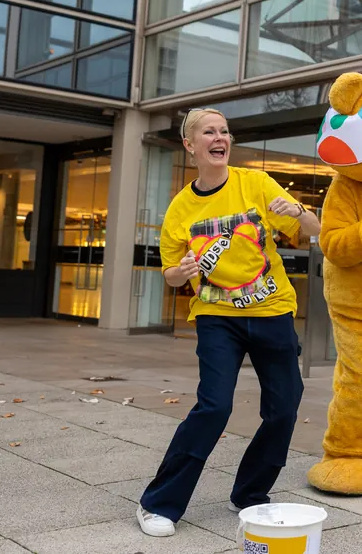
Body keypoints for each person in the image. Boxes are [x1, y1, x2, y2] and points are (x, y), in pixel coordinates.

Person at [137, 108, 321, 538]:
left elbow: (315, 230)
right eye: (209, 132)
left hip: (272, 309)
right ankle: (158, 503)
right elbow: (169, 273)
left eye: (224, 131)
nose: (219, 137)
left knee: (283, 409)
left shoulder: (254, 183)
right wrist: (180, 273)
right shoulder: (181, 208)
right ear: (190, 146)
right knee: (215, 406)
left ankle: (250, 493)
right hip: (217, 316)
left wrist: (297, 210)